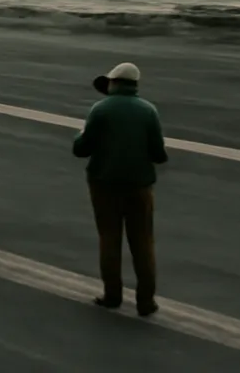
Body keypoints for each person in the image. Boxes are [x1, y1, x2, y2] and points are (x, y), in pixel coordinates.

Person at [73, 61, 168, 317]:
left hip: (104, 184)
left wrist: (80, 134)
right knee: (143, 242)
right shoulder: (149, 111)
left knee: (109, 239)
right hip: (139, 185)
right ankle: (146, 302)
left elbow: (81, 149)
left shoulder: (100, 109)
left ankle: (112, 295)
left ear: (114, 83)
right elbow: (159, 155)